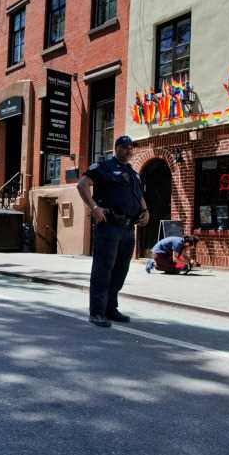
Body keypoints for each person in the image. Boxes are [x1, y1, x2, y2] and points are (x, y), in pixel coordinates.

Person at [77, 135, 149, 328]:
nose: (128, 151)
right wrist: (94, 208)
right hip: (109, 226)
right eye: (125, 147)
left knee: (120, 271)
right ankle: (97, 312)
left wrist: (145, 211)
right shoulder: (104, 167)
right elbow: (82, 184)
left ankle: (111, 308)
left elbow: (139, 196)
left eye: (131, 148)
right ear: (116, 148)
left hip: (128, 228)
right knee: (103, 270)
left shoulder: (133, 174)